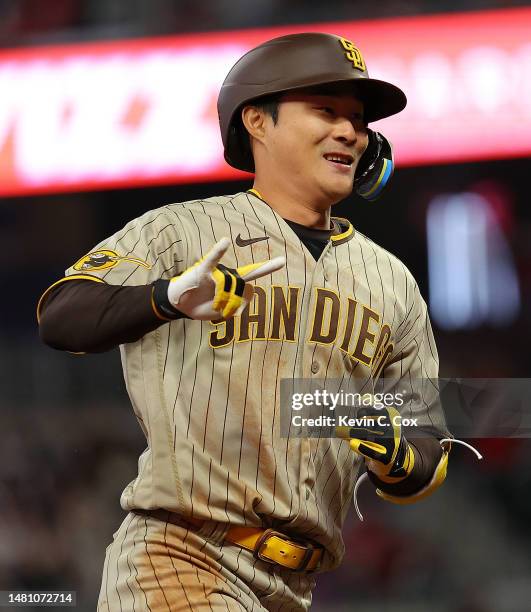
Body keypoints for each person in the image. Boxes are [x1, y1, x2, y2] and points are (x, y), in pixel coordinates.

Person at [38, 33, 451, 611]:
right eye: (326, 110)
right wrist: (166, 297)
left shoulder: (392, 282)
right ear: (258, 122)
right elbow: (61, 315)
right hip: (180, 555)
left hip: (297, 586)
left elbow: (428, 447)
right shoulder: (181, 233)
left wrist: (397, 453)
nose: (350, 133)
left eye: (358, 120)